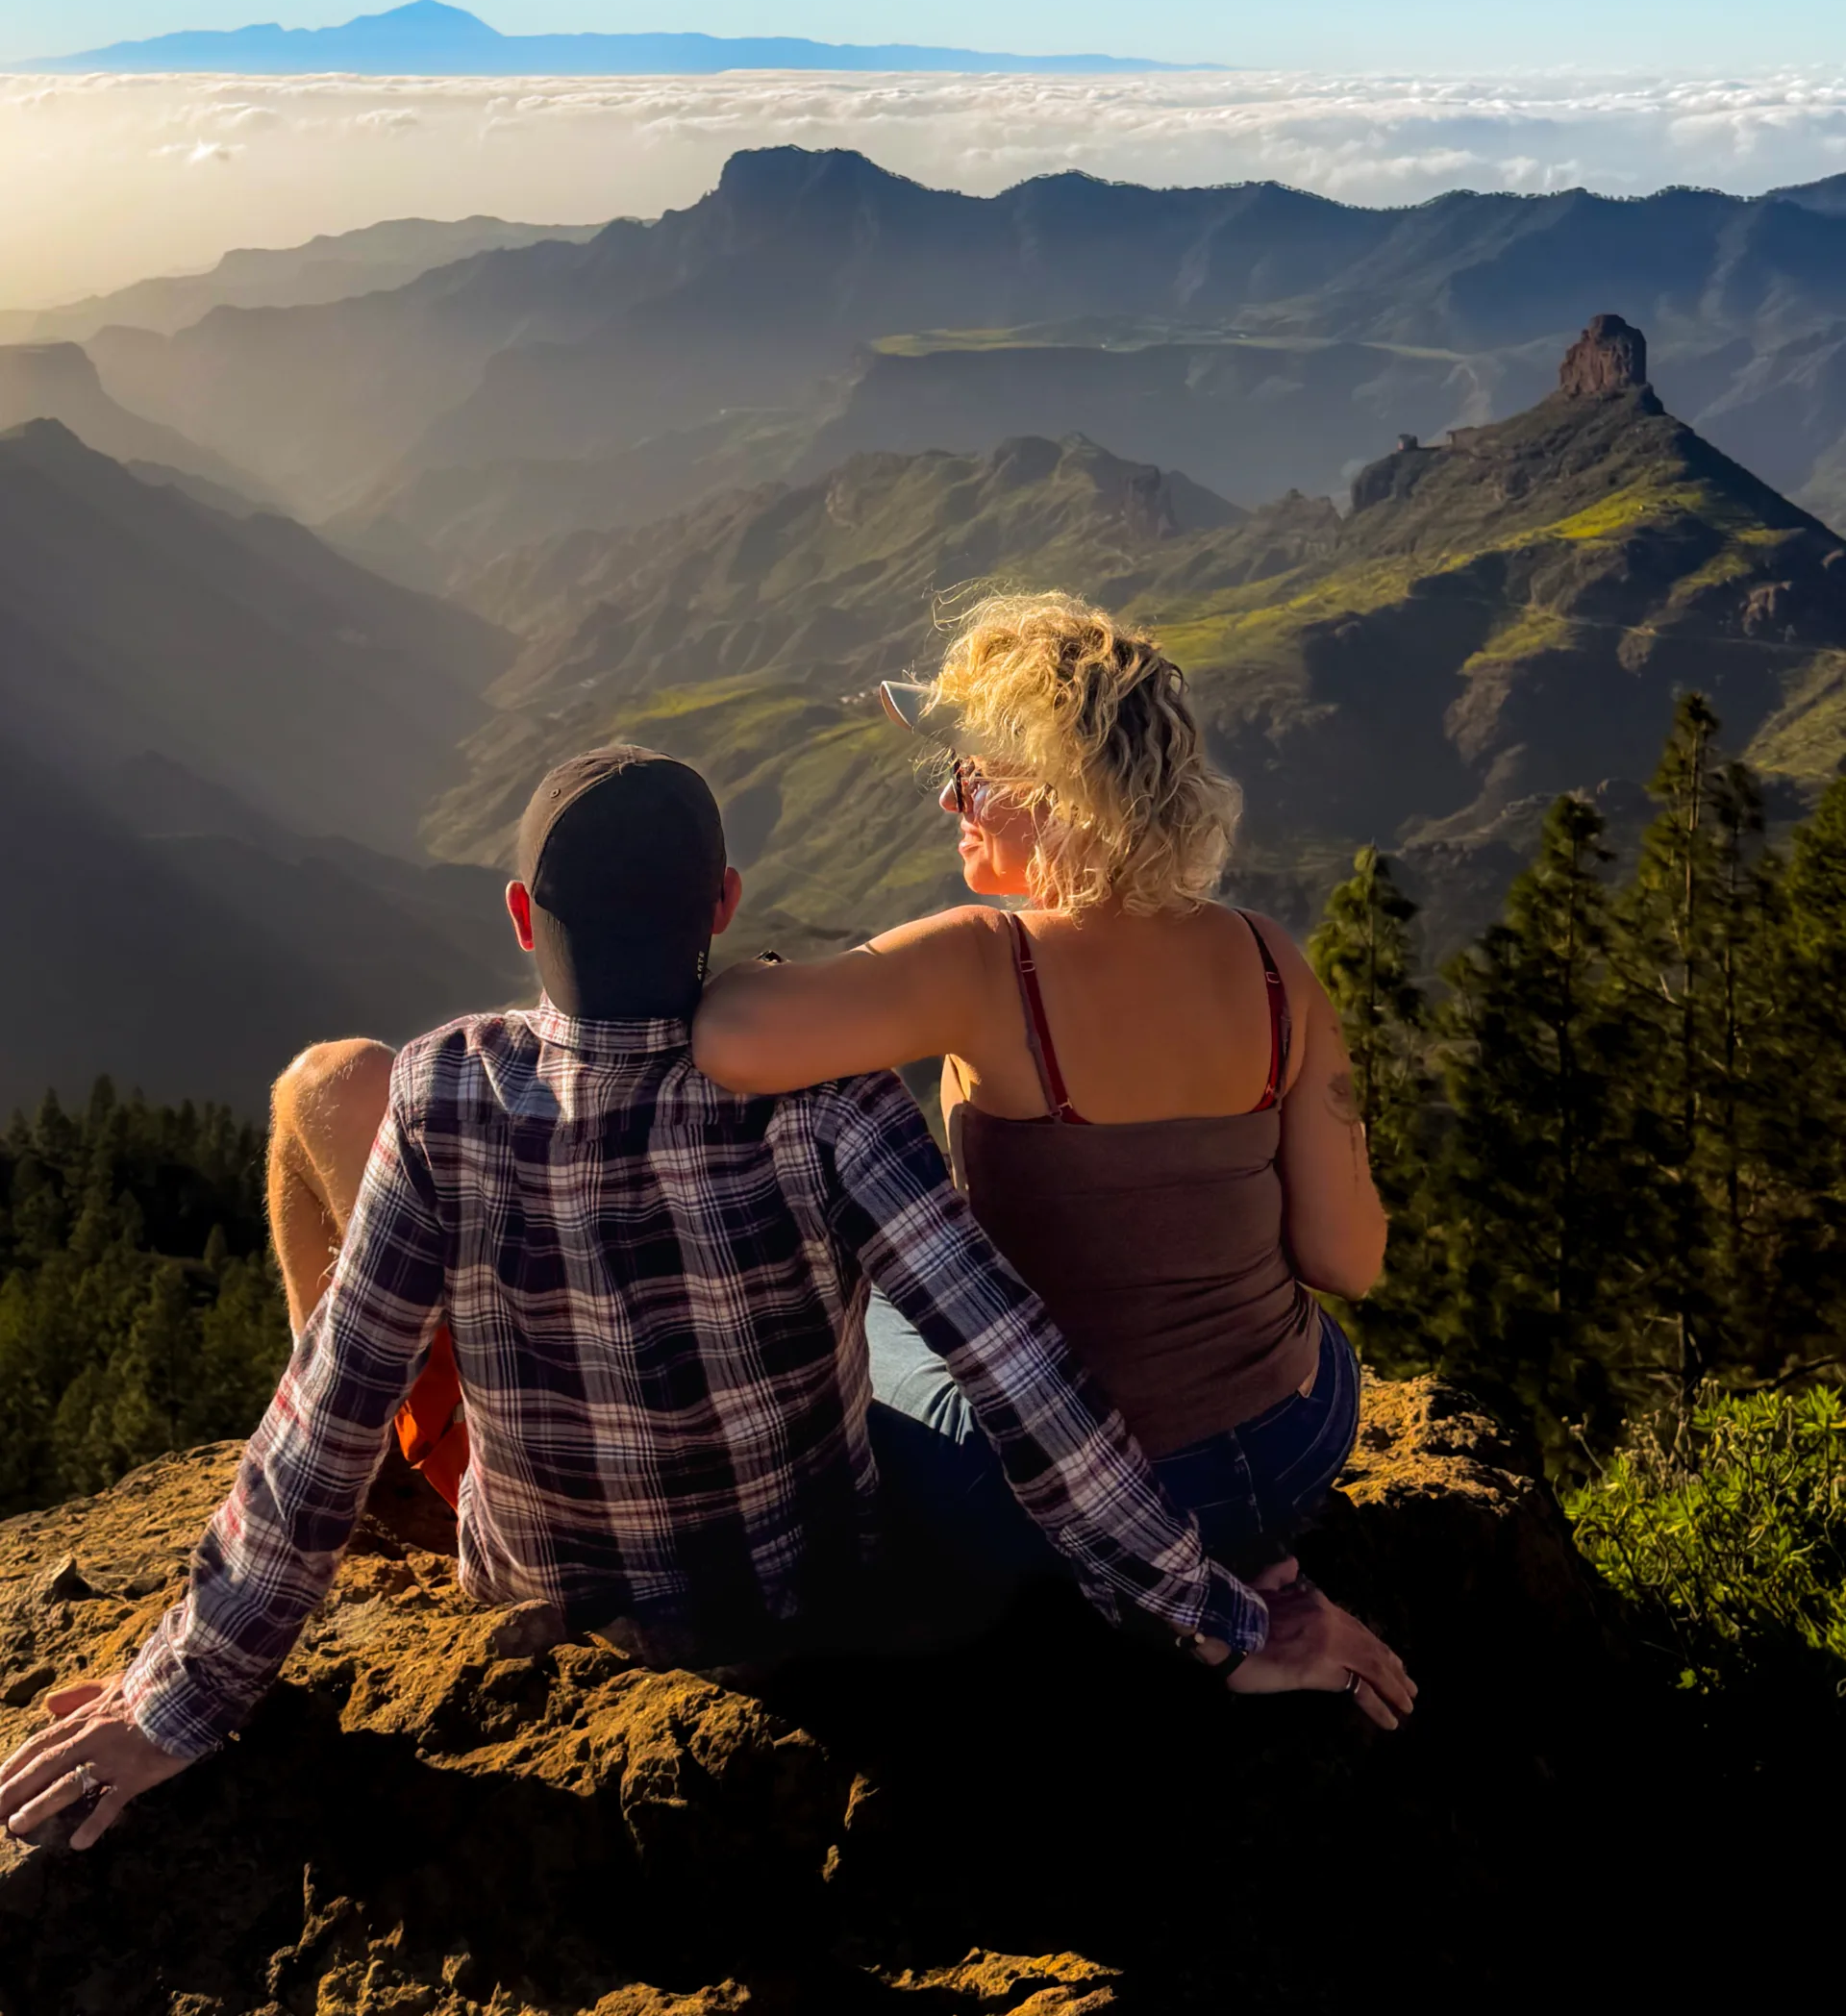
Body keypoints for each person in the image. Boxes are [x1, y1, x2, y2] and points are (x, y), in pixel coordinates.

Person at [1, 744, 1412, 1854]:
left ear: (517, 917)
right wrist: (1231, 1616)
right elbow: (1026, 1378)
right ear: (724, 910)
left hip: (540, 1575)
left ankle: (412, 1490)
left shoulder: (444, 1091)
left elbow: (319, 1424)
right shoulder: (828, 1096)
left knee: (324, 1085)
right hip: (799, 1576)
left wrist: (181, 1700)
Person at [693, 590, 1388, 1584]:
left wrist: (755, 964)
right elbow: (1347, 1258)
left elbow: (732, 1039)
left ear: (1055, 791)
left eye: (969, 775)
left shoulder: (988, 962)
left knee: (864, 1302)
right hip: (1295, 1443)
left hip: (1058, 1501)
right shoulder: (1273, 960)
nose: (949, 800)